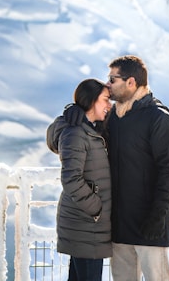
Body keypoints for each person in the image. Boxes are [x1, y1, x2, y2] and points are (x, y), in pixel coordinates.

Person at [64, 55, 169, 281]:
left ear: (131, 82)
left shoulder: (159, 119)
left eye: (112, 79)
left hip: (150, 224)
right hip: (118, 225)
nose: (107, 85)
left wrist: (158, 214)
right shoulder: (113, 119)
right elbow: (80, 137)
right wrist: (76, 110)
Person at [46, 78, 113, 281]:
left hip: (88, 225)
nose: (109, 105)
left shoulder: (92, 130)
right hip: (87, 224)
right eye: (105, 100)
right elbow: (71, 178)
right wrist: (97, 209)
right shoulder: (76, 133)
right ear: (92, 101)